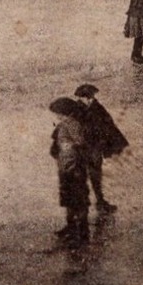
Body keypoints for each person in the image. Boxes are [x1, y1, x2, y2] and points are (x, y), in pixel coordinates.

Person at [74, 83, 128, 214]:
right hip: (84, 148)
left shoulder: (95, 108)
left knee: (94, 175)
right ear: (83, 97)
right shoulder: (78, 110)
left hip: (94, 147)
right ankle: (92, 203)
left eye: (91, 97)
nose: (91, 99)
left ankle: (99, 202)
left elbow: (109, 124)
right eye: (89, 97)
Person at [49, 97, 92, 246]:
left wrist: (69, 147)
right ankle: (71, 228)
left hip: (74, 167)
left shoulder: (72, 124)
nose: (57, 116)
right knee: (69, 198)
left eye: (58, 113)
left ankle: (81, 232)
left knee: (78, 200)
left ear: (65, 112)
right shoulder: (64, 124)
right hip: (66, 165)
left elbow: (80, 142)